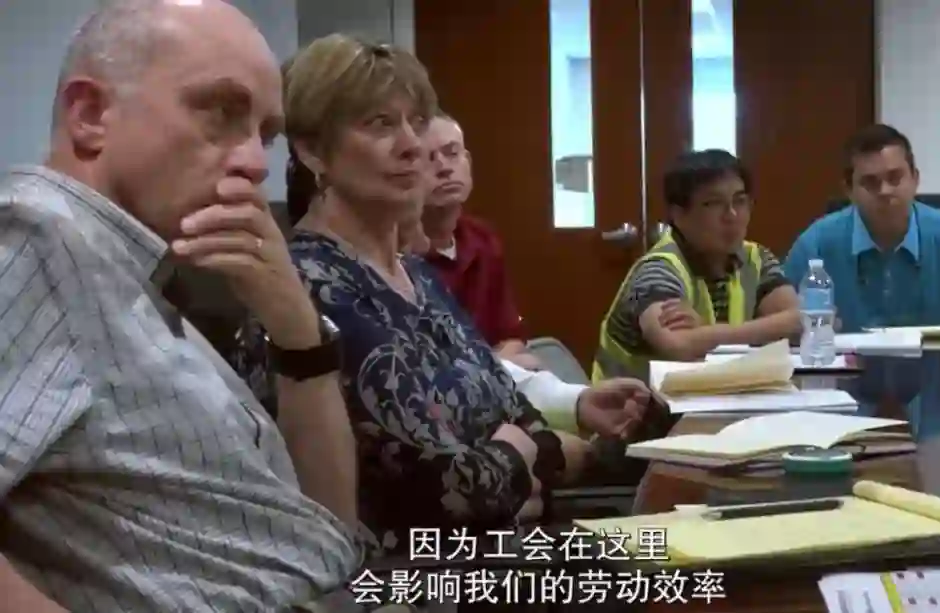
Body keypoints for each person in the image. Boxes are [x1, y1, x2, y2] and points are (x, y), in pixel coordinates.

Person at [0, 1, 359, 611]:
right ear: (90, 115)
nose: (256, 163)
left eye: (266, 135)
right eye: (220, 112)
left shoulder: (133, 271)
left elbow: (329, 528)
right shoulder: (37, 235)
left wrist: (297, 329)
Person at [281, 34, 592, 553]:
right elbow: (447, 492)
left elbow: (524, 417)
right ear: (312, 149)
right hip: (411, 580)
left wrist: (508, 462)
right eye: (380, 123)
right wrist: (512, 466)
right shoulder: (306, 286)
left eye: (417, 122)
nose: (413, 146)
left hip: (510, 555)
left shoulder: (416, 274)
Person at [399, 167, 659, 439]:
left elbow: (505, 342)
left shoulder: (468, 246)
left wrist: (578, 402)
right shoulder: (394, 286)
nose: (443, 168)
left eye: (452, 152)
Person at [784, 124, 940, 332]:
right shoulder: (815, 245)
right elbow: (783, 322)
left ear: (915, 179)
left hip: (938, 369)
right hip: (845, 370)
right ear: (849, 190)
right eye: (870, 182)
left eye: (895, 178)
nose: (885, 191)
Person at [592, 149, 801, 382]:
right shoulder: (658, 270)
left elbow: (799, 321)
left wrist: (705, 333)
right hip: (633, 402)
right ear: (679, 215)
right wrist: (758, 332)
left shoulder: (756, 258)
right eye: (713, 204)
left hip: (718, 394)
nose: (732, 215)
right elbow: (678, 346)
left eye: (740, 201)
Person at [420, 113, 544, 370]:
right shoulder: (395, 255)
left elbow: (510, 337)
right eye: (427, 158)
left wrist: (494, 369)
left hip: (487, 380)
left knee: (533, 364)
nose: (444, 168)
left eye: (452, 153)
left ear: (468, 162)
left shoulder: (483, 239)